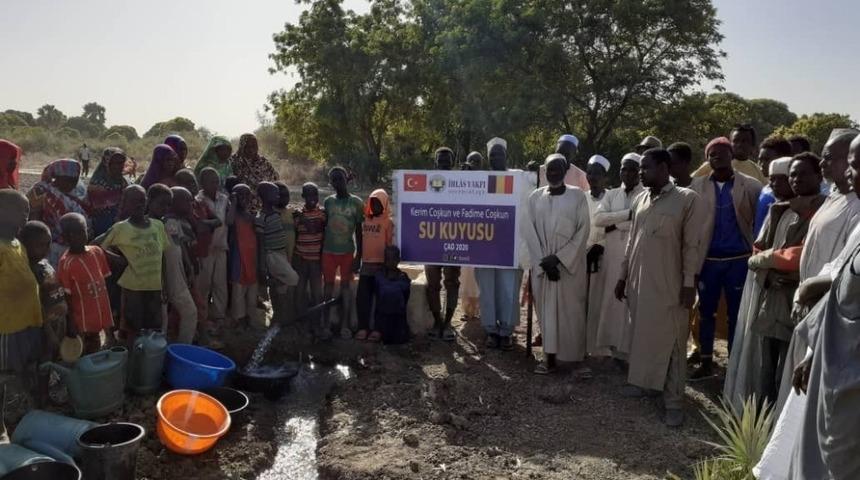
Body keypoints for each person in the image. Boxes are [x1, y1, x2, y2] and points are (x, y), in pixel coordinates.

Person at [723, 153, 826, 410]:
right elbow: (757, 252)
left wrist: (781, 268)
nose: (796, 179)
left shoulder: (825, 212)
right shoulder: (780, 212)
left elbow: (808, 257)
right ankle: (762, 427)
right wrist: (769, 273)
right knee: (765, 371)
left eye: (803, 174)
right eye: (793, 174)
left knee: (790, 372)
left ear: (819, 176)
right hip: (771, 302)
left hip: (803, 306)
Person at [614, 148, 700, 427]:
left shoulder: (686, 200)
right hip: (640, 282)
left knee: (673, 343)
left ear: (664, 168)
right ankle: (644, 383)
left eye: (646, 168)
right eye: (640, 169)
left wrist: (689, 284)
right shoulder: (641, 199)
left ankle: (674, 402)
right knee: (642, 335)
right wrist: (622, 276)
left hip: (670, 285)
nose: (641, 173)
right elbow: (631, 243)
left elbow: (691, 247)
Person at [688, 137, 762, 380]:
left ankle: (735, 366)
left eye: (721, 153)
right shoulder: (697, 185)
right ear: (707, 159)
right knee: (706, 313)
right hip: (708, 260)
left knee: (736, 315)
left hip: (738, 259)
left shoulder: (750, 186)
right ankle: (706, 361)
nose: (716, 157)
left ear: (732, 156)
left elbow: (758, 223)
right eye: (711, 154)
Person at [521, 154, 591, 374]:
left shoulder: (578, 196)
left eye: (557, 169)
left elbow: (583, 231)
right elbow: (529, 232)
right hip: (543, 268)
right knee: (546, 314)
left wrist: (559, 259)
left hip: (568, 268)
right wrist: (545, 263)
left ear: (565, 171)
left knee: (572, 314)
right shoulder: (534, 197)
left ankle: (575, 361)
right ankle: (548, 359)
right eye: (549, 170)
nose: (553, 173)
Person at [100, 185, 169, 347]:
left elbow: (162, 256)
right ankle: (132, 365)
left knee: (153, 327)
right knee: (133, 328)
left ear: (146, 202)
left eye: (142, 200)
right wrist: (119, 260)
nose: (139, 204)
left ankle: (148, 363)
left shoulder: (157, 226)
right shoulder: (120, 228)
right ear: (125, 204)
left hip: (154, 287)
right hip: (132, 289)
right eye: (134, 201)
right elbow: (96, 247)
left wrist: (164, 283)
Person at [593, 152, 643, 360]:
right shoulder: (612, 194)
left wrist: (614, 224)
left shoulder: (646, 194)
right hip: (612, 256)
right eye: (624, 168)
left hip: (636, 256)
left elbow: (641, 221)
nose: (628, 173)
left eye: (632, 169)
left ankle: (631, 352)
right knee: (612, 302)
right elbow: (598, 219)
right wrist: (627, 215)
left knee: (631, 302)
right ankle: (613, 349)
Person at [475, 138, 523, 351]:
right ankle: (490, 330)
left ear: (506, 156)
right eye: (492, 155)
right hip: (484, 244)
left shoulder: (519, 178)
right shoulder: (480, 180)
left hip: (510, 244)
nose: (496, 158)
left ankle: (506, 331)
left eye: (499, 154)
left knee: (508, 288)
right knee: (487, 288)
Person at [0, 190, 44, 401]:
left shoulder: (18, 245)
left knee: (26, 361)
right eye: (20, 209)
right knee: (5, 371)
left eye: (27, 209)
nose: (26, 214)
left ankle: (27, 401)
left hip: (28, 319)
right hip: (6, 324)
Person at [19, 221, 66, 404]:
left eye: (48, 243)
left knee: (51, 358)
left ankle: (43, 392)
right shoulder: (29, 271)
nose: (46, 249)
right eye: (40, 245)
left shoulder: (45, 264)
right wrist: (49, 332)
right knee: (42, 361)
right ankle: (41, 396)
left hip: (57, 321)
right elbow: (37, 306)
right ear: (25, 246)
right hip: (43, 328)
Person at [56, 213, 113, 354]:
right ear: (64, 237)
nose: (78, 237)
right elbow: (67, 296)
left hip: (99, 315)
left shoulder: (97, 252)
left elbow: (104, 282)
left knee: (97, 350)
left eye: (81, 231)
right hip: (82, 322)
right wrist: (71, 323)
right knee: (83, 354)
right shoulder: (66, 263)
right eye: (71, 234)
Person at [322, 167, 363, 339]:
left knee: (346, 287)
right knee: (328, 287)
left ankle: (345, 325)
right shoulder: (328, 202)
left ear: (347, 179)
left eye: (340, 178)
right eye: (334, 180)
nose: (337, 182)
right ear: (330, 182)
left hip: (347, 252)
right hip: (328, 252)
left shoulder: (357, 203)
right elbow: (323, 227)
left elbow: (359, 232)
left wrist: (358, 256)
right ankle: (325, 325)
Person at [424, 148, 461, 341]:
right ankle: (437, 321)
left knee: (452, 282)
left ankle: (448, 323)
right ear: (435, 162)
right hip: (431, 242)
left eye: (447, 161)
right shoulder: (429, 183)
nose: (444, 164)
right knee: (432, 284)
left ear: (452, 162)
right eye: (441, 161)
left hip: (454, 242)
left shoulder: (460, 184)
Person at [26, 159, 89, 267]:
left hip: (73, 244)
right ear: (57, 177)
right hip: (47, 245)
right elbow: (33, 218)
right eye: (67, 179)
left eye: (74, 180)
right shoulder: (41, 191)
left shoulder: (80, 192)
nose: (71, 183)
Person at [255, 182, 299, 325]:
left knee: (280, 287)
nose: (278, 196)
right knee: (293, 278)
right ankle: (286, 312)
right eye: (275, 194)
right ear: (266, 197)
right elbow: (261, 244)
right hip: (272, 255)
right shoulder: (262, 218)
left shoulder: (275, 214)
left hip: (282, 254)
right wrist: (262, 267)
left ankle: (279, 316)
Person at [161, 187, 200, 344]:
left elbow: (180, 245)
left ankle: (182, 349)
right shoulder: (163, 223)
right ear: (174, 203)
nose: (191, 205)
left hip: (177, 277)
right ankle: (160, 355)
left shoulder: (174, 222)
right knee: (162, 322)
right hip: (164, 279)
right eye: (188, 201)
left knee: (190, 312)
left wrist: (189, 266)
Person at [356, 189, 394, 342]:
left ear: (385, 204)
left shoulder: (388, 222)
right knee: (362, 298)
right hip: (366, 265)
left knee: (380, 299)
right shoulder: (365, 220)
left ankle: (378, 329)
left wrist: (388, 266)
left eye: (379, 203)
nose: (375, 206)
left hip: (380, 265)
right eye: (373, 202)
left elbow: (390, 244)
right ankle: (363, 327)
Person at [195, 168, 230, 334]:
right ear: (202, 184)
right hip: (206, 249)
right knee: (204, 283)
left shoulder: (224, 199)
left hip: (221, 246)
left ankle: (219, 316)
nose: (215, 185)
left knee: (220, 283)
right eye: (211, 182)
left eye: (217, 181)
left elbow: (228, 221)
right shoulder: (198, 201)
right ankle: (203, 317)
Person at [584, 155, 609, 357]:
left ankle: (598, 347)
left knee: (600, 303)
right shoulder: (580, 197)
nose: (592, 176)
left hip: (605, 258)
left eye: (597, 173)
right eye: (590, 172)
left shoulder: (612, 198)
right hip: (580, 258)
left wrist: (600, 246)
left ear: (605, 177)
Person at [294, 182, 327, 337]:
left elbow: (314, 228)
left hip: (315, 260)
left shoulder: (321, 213)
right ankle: (302, 324)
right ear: (303, 196)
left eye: (315, 194)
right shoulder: (297, 214)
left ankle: (317, 325)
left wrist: (301, 217)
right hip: (300, 259)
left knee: (316, 294)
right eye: (308, 195)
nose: (312, 198)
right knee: (299, 293)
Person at [227, 184, 259, 329]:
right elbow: (229, 221)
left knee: (252, 291)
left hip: (251, 258)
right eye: (240, 195)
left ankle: (250, 318)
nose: (244, 199)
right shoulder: (233, 215)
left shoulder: (251, 216)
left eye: (247, 195)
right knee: (238, 291)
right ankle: (238, 319)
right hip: (238, 258)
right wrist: (233, 202)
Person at [693, 125, 767, 184]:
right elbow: (690, 183)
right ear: (730, 143)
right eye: (736, 141)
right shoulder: (714, 164)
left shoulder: (756, 170)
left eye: (745, 141)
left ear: (752, 145)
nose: (739, 144)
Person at [753, 136, 795, 236]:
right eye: (760, 160)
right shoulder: (765, 189)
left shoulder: (791, 193)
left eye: (767, 159)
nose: (761, 164)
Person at [374, 246, 412, 345]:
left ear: (398, 260)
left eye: (393, 259)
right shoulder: (379, 276)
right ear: (384, 260)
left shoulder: (403, 278)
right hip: (383, 316)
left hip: (398, 316)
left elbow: (406, 296)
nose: (390, 262)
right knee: (385, 339)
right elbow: (377, 294)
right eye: (388, 259)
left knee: (400, 339)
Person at [231, 133, 279, 211]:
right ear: (242, 146)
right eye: (247, 147)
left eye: (254, 146)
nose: (251, 149)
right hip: (244, 205)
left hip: (264, 204)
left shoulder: (263, 161)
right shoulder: (234, 161)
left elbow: (275, 177)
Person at [88, 148, 129, 237]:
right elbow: (98, 210)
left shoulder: (123, 181)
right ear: (106, 163)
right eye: (116, 163)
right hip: (102, 228)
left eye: (122, 162)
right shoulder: (97, 184)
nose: (120, 166)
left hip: (121, 227)